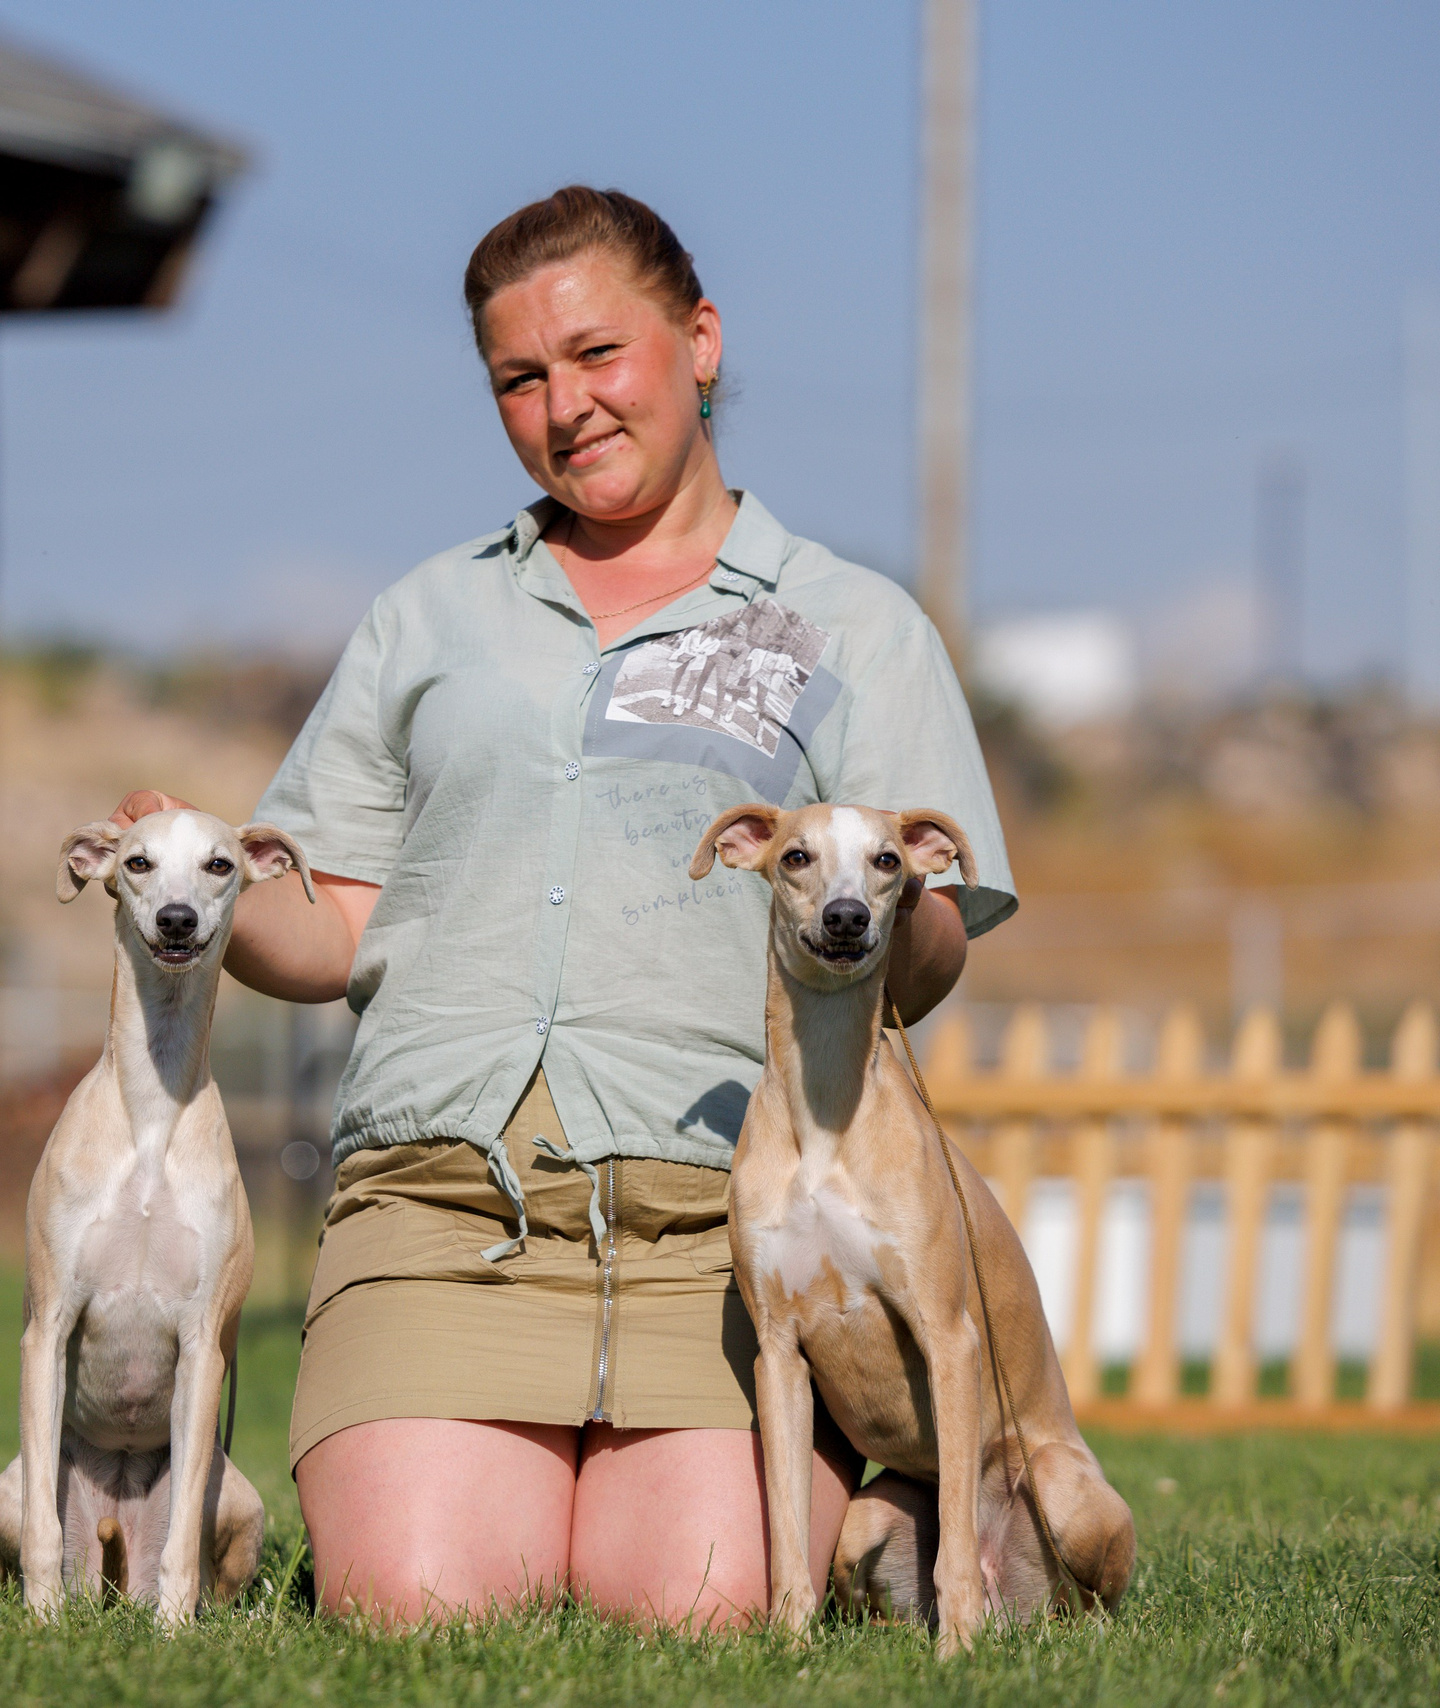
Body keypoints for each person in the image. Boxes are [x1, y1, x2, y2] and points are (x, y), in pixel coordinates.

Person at [107, 185, 1015, 1628]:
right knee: (418, 1600)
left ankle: (886, 1484)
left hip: (720, 1232)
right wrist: (194, 887)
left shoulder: (848, 621)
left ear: (700, 340)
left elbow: (938, 949)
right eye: (520, 379)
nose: (566, 405)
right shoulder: (429, 617)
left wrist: (875, 910)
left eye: (600, 355)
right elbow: (335, 924)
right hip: (440, 1203)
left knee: (701, 1604)